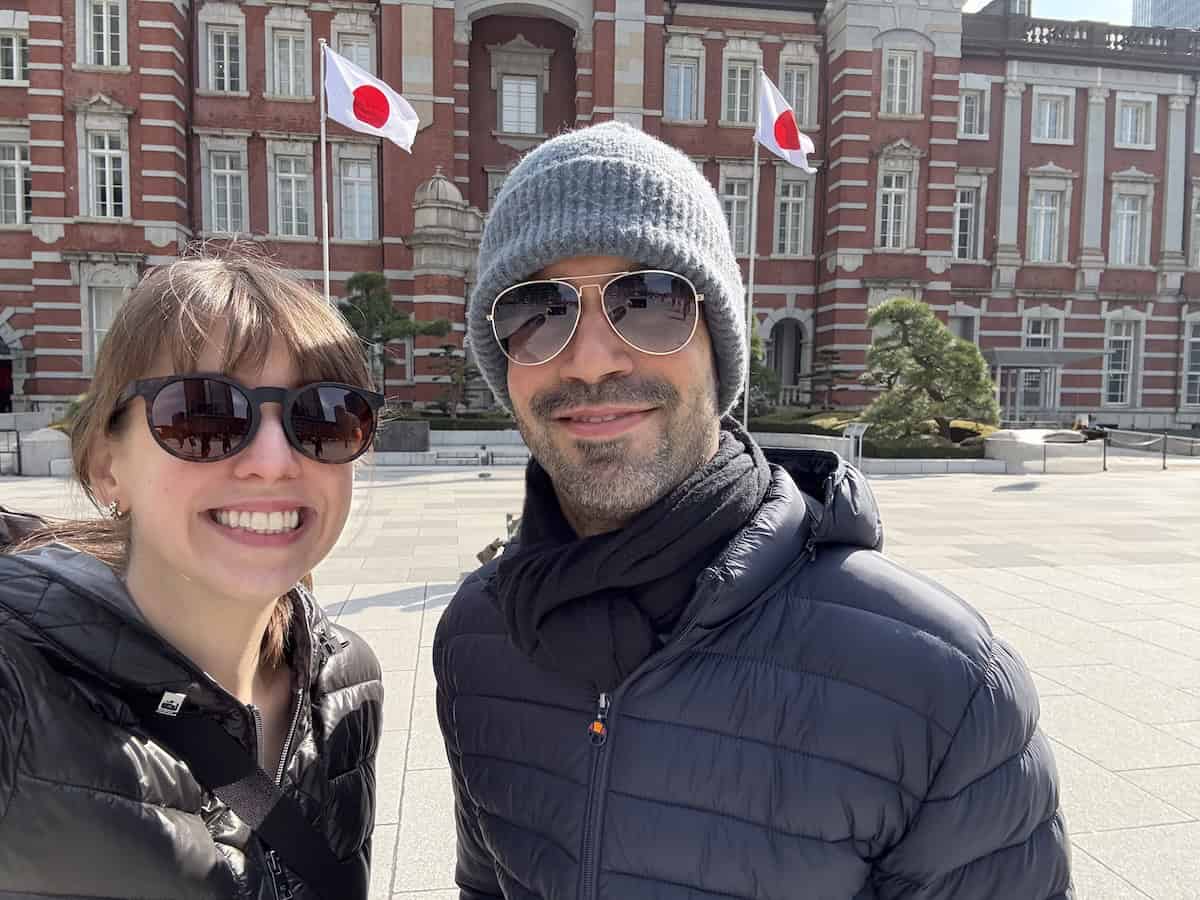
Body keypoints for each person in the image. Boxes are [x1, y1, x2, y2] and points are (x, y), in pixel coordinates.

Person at [435, 122, 1073, 899]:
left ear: (720, 344)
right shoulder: (478, 636)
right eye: (537, 309)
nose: (592, 359)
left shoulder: (943, 686)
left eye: (649, 300)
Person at [0, 254, 385, 899]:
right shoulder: (19, 693)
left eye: (322, 417)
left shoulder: (346, 682)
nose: (274, 462)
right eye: (204, 414)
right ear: (106, 466)